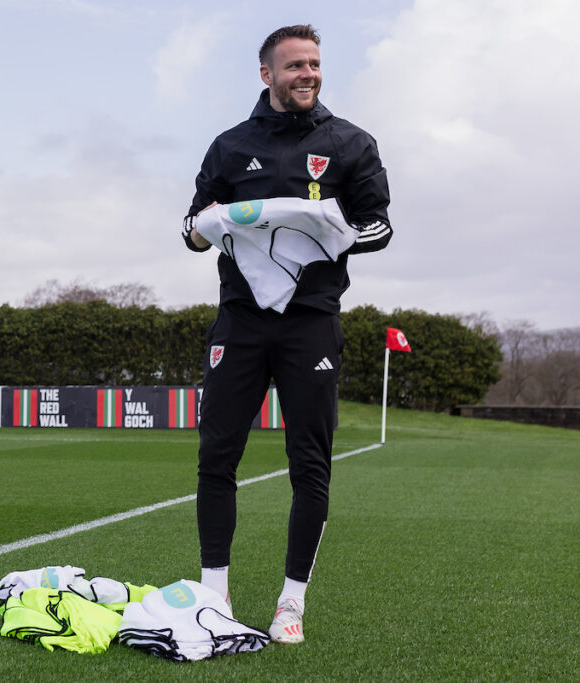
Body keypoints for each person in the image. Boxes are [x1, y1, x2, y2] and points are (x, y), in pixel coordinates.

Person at [181, 24, 392, 644]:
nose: (309, 74)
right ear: (267, 74)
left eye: (316, 64)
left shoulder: (351, 143)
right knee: (216, 458)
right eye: (296, 65)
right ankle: (213, 595)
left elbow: (380, 225)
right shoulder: (228, 147)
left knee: (310, 465)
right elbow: (191, 228)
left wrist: (333, 227)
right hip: (239, 322)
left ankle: (290, 604)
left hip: (310, 326)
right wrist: (208, 227)